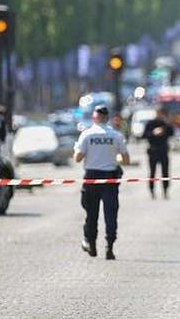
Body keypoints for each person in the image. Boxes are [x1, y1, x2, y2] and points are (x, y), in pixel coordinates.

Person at [74, 105, 130, 260]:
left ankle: (91, 244)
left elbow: (77, 158)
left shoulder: (87, 135)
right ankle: (109, 247)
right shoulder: (116, 136)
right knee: (110, 214)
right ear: (107, 118)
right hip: (110, 178)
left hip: (91, 177)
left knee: (91, 213)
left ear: (94, 118)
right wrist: (115, 158)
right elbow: (126, 160)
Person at [143, 107, 175, 199]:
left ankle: (165, 191)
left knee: (165, 173)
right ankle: (152, 191)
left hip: (163, 150)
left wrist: (167, 125)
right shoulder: (150, 123)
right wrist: (153, 133)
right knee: (152, 172)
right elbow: (144, 135)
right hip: (153, 150)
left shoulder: (165, 124)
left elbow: (171, 133)